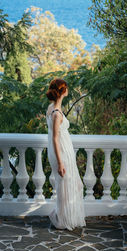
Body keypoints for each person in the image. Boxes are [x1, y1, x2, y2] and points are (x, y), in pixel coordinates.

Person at [46, 78, 86, 230]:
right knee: (67, 185)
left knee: (69, 184)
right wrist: (60, 162)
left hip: (63, 150)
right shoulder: (56, 113)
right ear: (63, 92)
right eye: (67, 88)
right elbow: (55, 139)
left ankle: (64, 216)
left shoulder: (51, 108)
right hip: (61, 152)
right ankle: (63, 219)